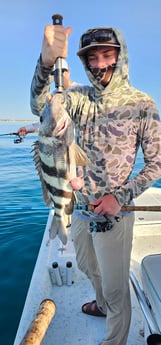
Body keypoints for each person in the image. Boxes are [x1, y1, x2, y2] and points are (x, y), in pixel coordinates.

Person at [30, 23, 161, 345]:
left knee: (117, 289)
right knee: (89, 268)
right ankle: (101, 306)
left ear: (120, 56)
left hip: (114, 213)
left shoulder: (142, 103)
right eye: (92, 58)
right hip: (77, 207)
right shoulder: (76, 98)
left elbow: (157, 162)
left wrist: (119, 197)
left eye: (107, 54)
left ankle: (113, 339)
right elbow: (41, 107)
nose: (100, 64)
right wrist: (45, 64)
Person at [18, 59, 79, 136]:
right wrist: (27, 128)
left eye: (62, 71)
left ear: (68, 71)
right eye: (54, 74)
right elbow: (47, 122)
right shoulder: (52, 96)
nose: (58, 76)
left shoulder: (82, 91)